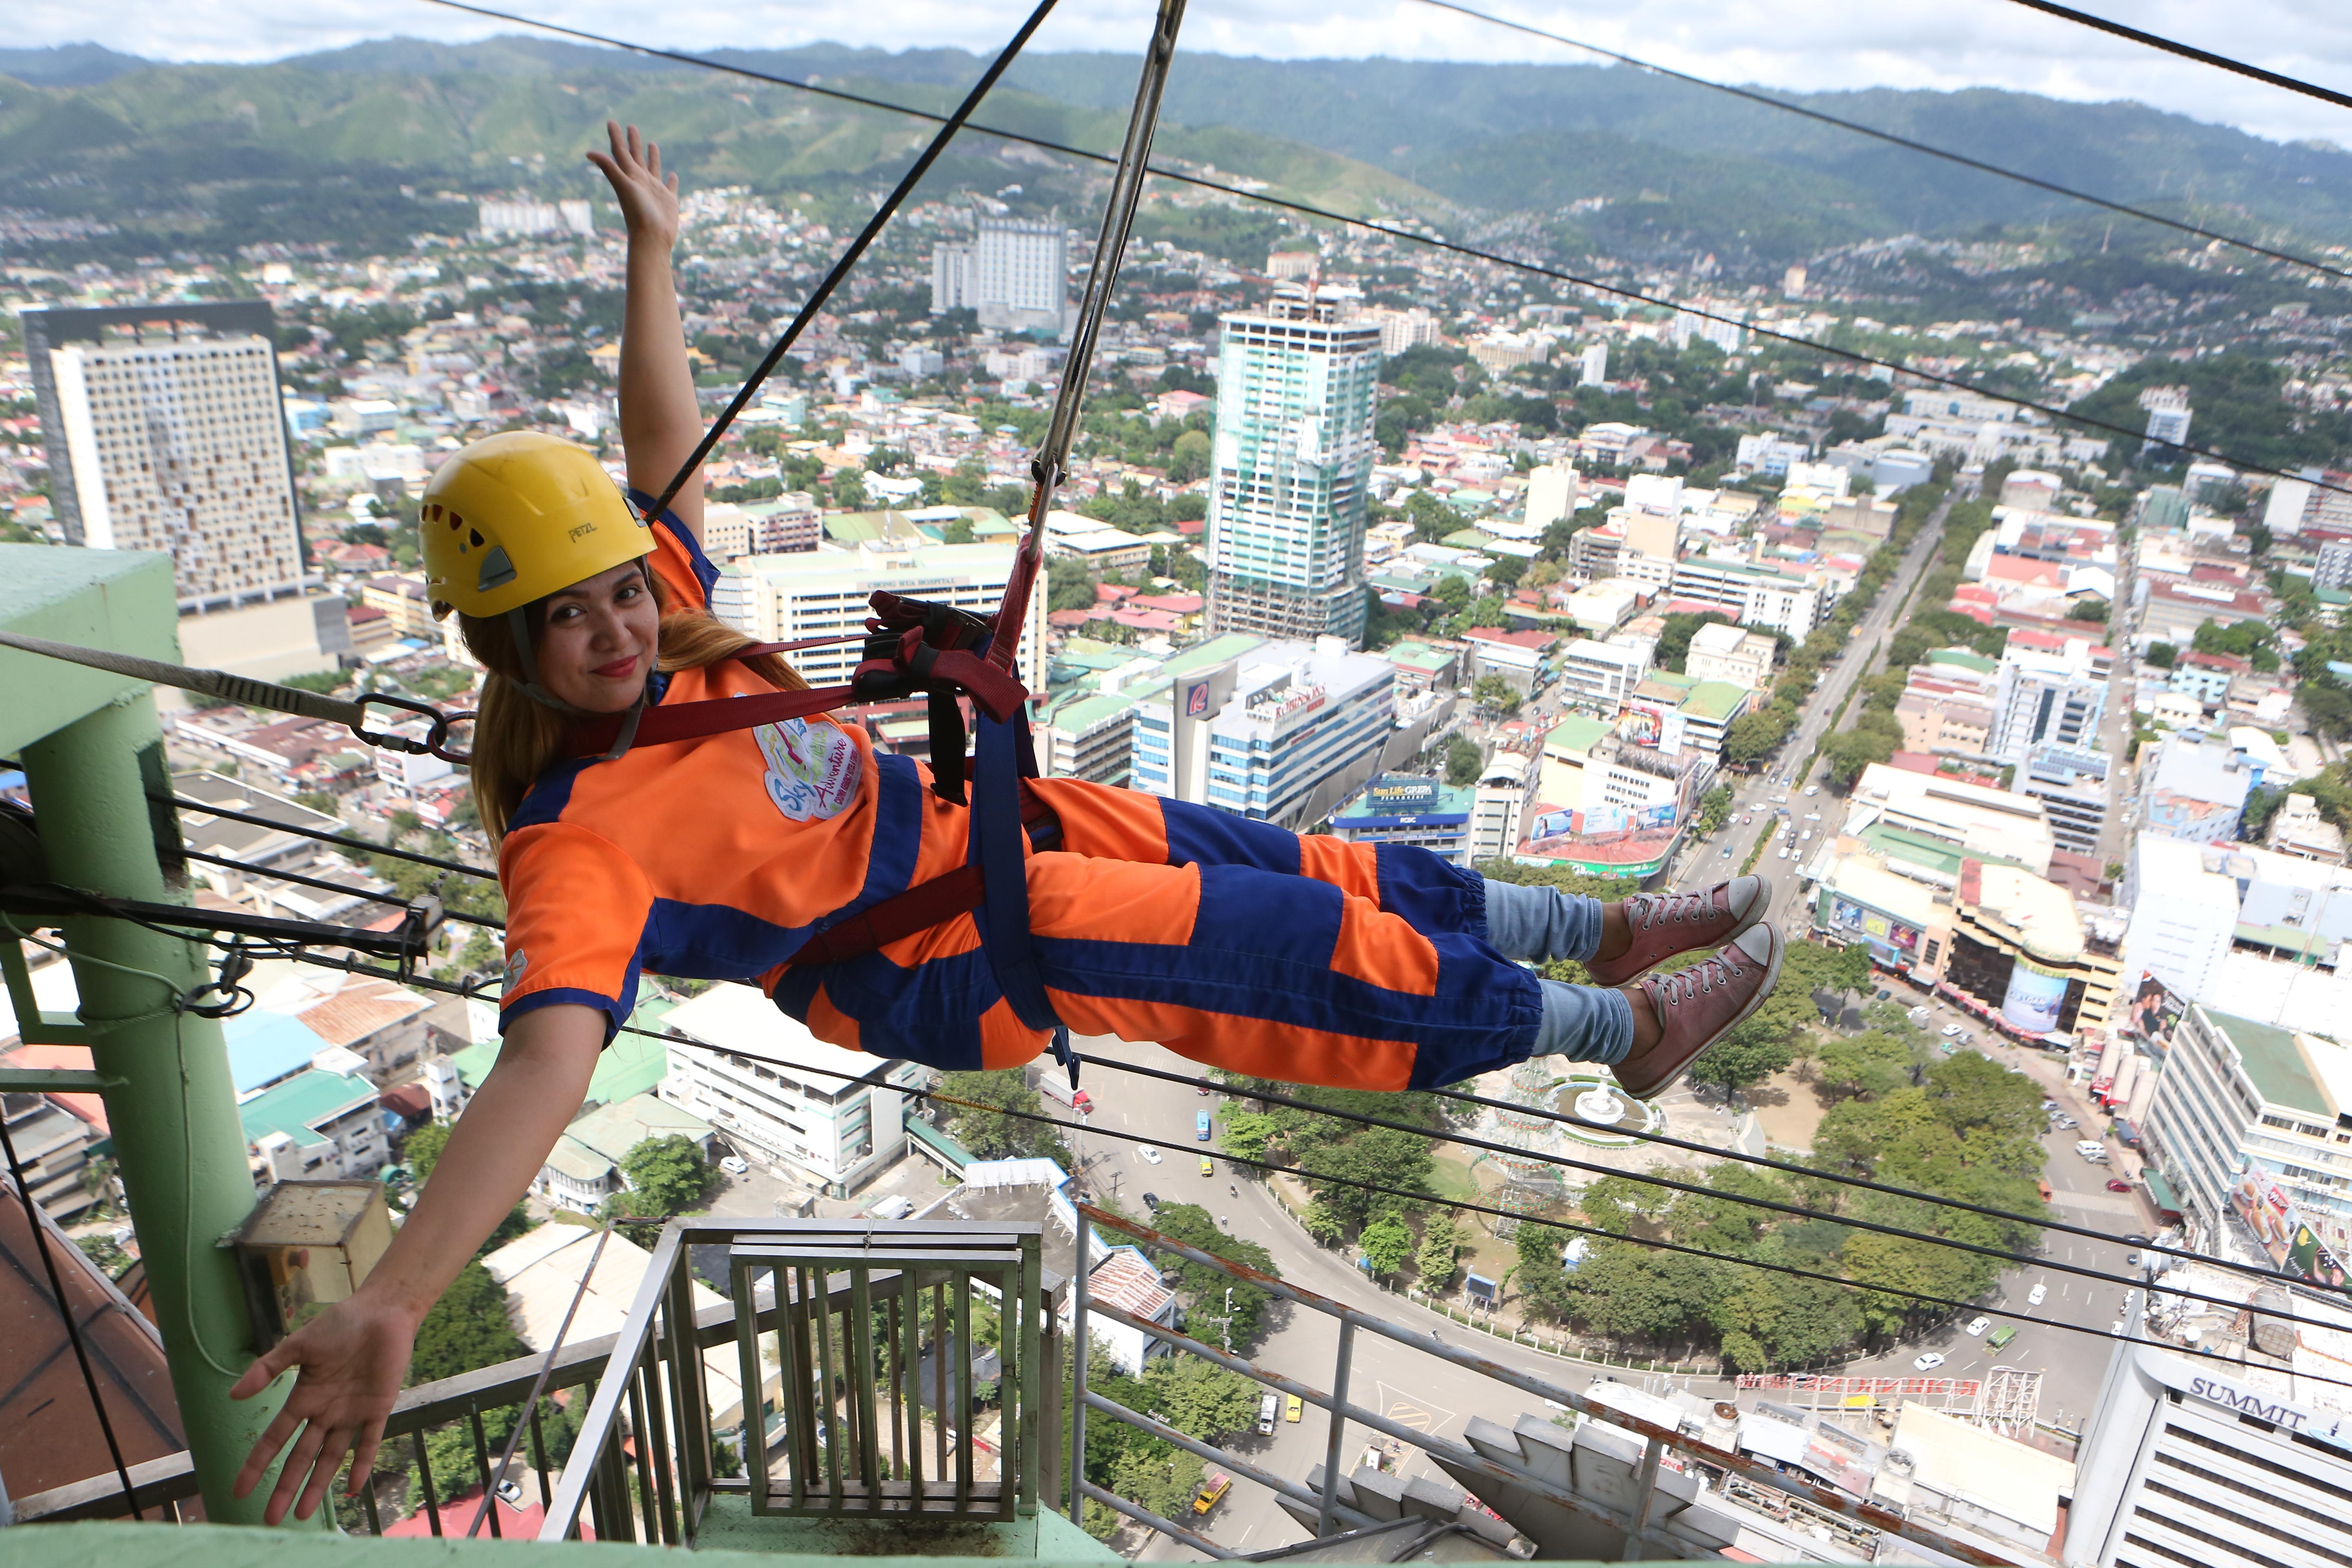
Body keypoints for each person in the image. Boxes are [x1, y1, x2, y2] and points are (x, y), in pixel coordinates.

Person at [228, 122, 1784, 1525]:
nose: (617, 628)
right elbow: (547, 1063)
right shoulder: (577, 839)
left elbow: (661, 452)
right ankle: (1612, 1027)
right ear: (508, 652)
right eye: (568, 621)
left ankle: (1596, 925)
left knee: (1292, 856)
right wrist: (404, 1297)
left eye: (621, 590)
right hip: (937, 948)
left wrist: (653, 253)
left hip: (974, 825)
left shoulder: (678, 629)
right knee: (1281, 944)